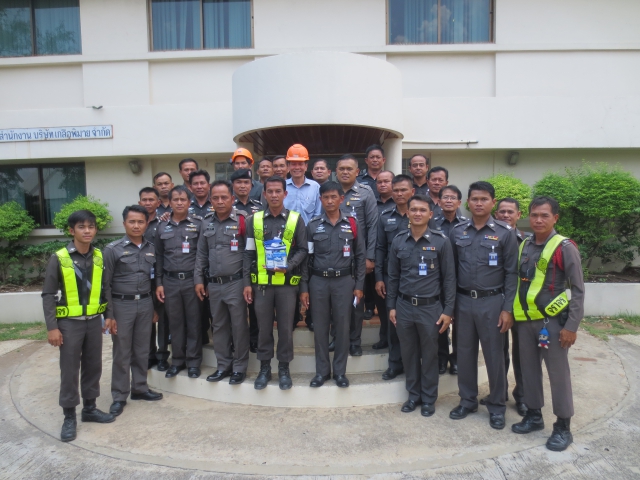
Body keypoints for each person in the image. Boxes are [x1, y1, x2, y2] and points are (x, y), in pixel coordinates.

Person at [511, 196, 585, 452]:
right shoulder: (525, 244)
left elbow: (578, 290)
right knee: (528, 371)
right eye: (534, 215)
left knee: (558, 374)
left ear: (555, 218)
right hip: (526, 322)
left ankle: (563, 427)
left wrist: (571, 326)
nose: (538, 220)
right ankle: (534, 416)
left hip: (553, 324)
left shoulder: (564, 247)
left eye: (544, 215)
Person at [449, 181, 518, 430]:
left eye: (484, 199)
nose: (479, 203)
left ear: (493, 202)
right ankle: (467, 401)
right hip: (463, 301)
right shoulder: (457, 231)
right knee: (464, 353)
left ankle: (497, 406)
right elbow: (450, 272)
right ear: (468, 202)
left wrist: (507, 308)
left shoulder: (505, 233)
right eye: (475, 199)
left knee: (494, 356)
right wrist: (450, 307)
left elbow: (511, 273)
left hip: (493, 302)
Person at [42, 210, 114, 442]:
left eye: (91, 226)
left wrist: (109, 315)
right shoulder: (60, 257)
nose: (87, 231)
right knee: (70, 370)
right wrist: (52, 327)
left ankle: (90, 408)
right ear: (72, 230)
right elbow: (48, 294)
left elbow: (106, 289)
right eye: (82, 227)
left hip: (93, 322)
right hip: (69, 325)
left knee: (93, 366)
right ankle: (69, 416)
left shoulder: (99, 256)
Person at [387, 195, 456, 416]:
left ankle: (428, 399)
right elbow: (392, 277)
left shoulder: (441, 241)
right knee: (408, 353)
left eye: (422, 210)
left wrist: (448, 310)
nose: (417, 213)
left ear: (430, 214)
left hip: (430, 308)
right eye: (414, 209)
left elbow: (449, 279)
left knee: (430, 355)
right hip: (404, 306)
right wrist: (391, 306)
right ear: (407, 213)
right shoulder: (398, 240)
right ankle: (413, 396)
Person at [243, 176, 308, 390]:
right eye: (269, 191)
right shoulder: (254, 220)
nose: (273, 195)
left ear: (285, 193)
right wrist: (246, 283)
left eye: (278, 191)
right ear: (264, 194)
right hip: (262, 285)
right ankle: (264, 369)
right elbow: (248, 253)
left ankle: (283, 369)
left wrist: (289, 266)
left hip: (287, 285)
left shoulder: (296, 219)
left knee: (286, 329)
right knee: (263, 328)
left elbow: (303, 250)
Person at [300, 181, 366, 388]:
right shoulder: (313, 225)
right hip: (318, 281)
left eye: (333, 197)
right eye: (326, 197)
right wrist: (304, 288)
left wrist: (359, 285)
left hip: (344, 282)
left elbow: (360, 256)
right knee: (320, 328)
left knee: (343, 327)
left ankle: (340, 372)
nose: (329, 201)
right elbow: (306, 258)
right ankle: (322, 372)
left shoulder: (352, 224)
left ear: (341, 199)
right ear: (320, 199)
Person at [104, 205, 163, 417]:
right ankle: (119, 396)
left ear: (146, 224)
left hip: (145, 304)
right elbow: (105, 285)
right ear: (124, 224)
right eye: (132, 222)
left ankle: (139, 388)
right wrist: (109, 315)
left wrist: (154, 307)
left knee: (142, 349)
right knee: (122, 352)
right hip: (122, 305)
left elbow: (154, 280)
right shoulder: (112, 249)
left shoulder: (151, 248)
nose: (136, 226)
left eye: (140, 222)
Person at [195, 180, 250, 385]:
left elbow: (249, 254)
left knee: (238, 326)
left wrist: (247, 283)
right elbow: (201, 254)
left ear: (232, 199)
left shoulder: (243, 220)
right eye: (215, 198)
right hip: (214, 284)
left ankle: (239, 368)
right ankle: (223, 366)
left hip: (236, 282)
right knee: (218, 326)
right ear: (210, 200)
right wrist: (199, 279)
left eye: (224, 197)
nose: (220, 201)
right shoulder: (206, 223)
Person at [480, 197, 531, 416]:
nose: (506, 215)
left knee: (522, 352)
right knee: (499, 351)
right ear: (496, 213)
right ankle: (499, 393)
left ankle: (523, 397)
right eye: (502, 212)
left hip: (524, 305)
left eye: (511, 212)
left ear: (519, 215)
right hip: (498, 302)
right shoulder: (493, 237)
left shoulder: (528, 241)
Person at [155, 186, 204, 379]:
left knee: (194, 322)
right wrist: (159, 283)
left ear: (189, 202)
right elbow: (159, 256)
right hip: (170, 281)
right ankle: (177, 361)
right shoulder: (162, 226)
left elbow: (202, 255)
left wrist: (200, 280)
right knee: (174, 323)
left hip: (192, 281)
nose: (179, 203)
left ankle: (193, 362)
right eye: (175, 199)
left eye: (183, 199)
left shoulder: (198, 224)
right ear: (170, 202)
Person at [336, 155, 378, 356]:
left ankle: (354, 341)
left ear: (357, 172)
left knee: (356, 300)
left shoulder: (366, 192)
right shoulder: (330, 191)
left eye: (349, 169)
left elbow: (372, 225)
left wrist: (370, 257)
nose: (345, 172)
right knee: (335, 302)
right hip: (335, 256)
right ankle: (337, 338)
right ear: (336, 172)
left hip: (357, 256)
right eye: (341, 169)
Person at [375, 174, 414, 379]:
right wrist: (379, 278)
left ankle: (413, 364)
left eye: (403, 190)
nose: (399, 194)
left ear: (412, 192)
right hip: (391, 277)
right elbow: (380, 248)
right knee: (393, 321)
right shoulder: (385, 217)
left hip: (416, 278)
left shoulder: (420, 214)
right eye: (396, 190)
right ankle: (395, 364)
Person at [284, 144, 322, 331]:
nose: (297, 167)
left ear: (306, 166)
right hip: (287, 241)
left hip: (310, 239)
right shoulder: (282, 187)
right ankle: (292, 317)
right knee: (289, 278)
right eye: (293, 163)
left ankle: (311, 317)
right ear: (288, 166)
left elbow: (318, 214)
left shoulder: (315, 187)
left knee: (310, 276)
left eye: (300, 163)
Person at [432, 185, 467, 376]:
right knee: (440, 320)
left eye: (453, 198)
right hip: (439, 280)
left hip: (462, 280)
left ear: (459, 202)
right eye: (445, 197)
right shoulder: (432, 224)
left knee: (460, 324)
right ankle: (441, 357)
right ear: (438, 201)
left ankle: (457, 359)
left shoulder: (467, 225)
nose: (449, 201)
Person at [231, 168, 262, 352]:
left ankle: (254, 339)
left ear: (251, 185)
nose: (242, 186)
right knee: (236, 307)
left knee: (255, 305)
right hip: (233, 262)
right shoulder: (227, 206)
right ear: (233, 185)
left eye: (246, 182)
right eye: (238, 182)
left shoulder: (259, 206)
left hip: (254, 261)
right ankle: (236, 340)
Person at [138, 187, 169, 371]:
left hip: (161, 277)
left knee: (163, 319)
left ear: (158, 203)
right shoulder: (137, 222)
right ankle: (149, 354)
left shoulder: (164, 222)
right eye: (144, 200)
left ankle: (162, 355)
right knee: (145, 318)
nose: (148, 203)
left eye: (151, 200)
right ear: (139, 202)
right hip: (141, 277)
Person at [363, 170, 396, 322]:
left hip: (390, 253)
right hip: (372, 248)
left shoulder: (399, 204)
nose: (382, 184)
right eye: (379, 182)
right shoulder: (371, 202)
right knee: (372, 283)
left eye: (386, 181)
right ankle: (370, 307)